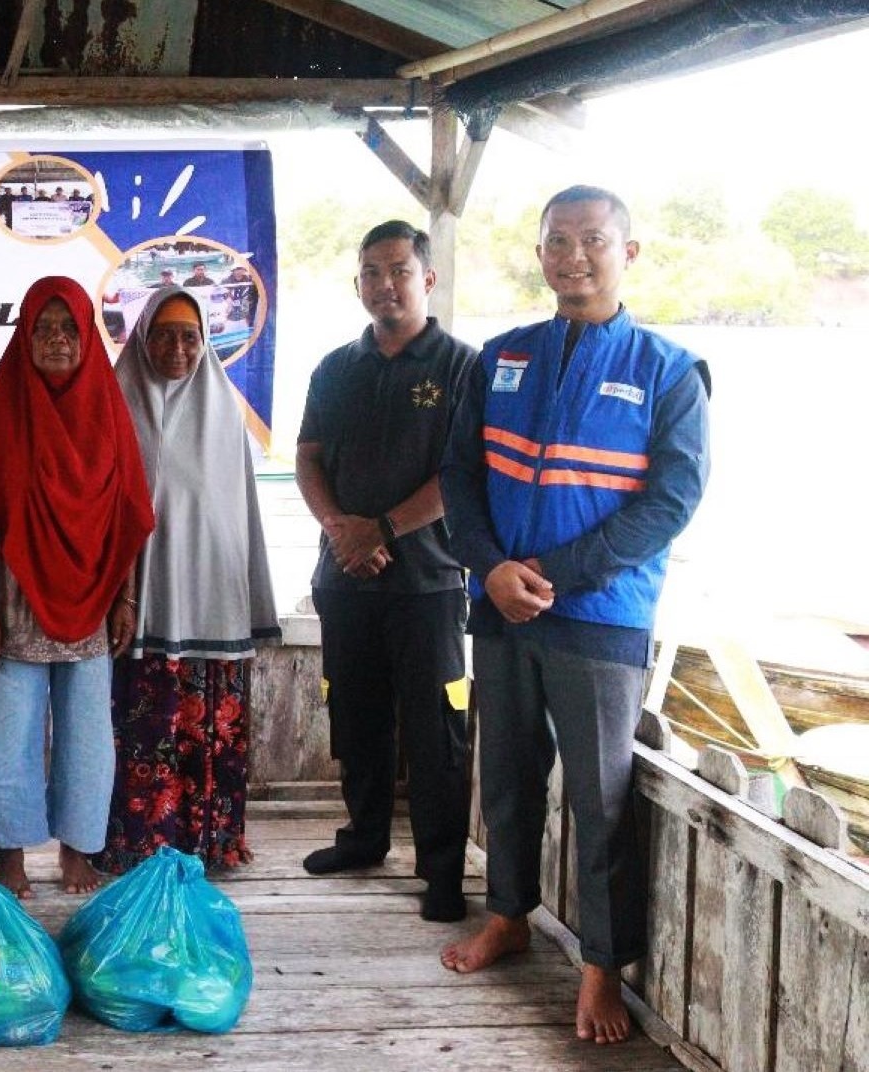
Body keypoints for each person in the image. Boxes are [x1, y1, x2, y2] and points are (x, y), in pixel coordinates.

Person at [439, 186, 709, 1044]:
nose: (575, 256)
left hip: (600, 619)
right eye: (558, 240)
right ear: (540, 253)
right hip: (504, 606)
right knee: (509, 781)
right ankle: (510, 915)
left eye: (594, 240)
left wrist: (548, 573)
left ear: (629, 254)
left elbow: (671, 501)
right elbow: (459, 476)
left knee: (600, 800)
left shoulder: (668, 371)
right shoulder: (501, 357)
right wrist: (490, 569)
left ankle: (601, 967)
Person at [296, 221, 477, 923]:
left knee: (436, 731)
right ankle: (364, 839)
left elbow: (460, 473)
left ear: (427, 278)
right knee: (356, 716)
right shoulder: (336, 367)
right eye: (371, 272)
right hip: (345, 577)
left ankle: (441, 872)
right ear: (358, 284)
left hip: (428, 582)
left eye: (399, 270)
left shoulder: (462, 366)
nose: (385, 285)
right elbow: (309, 457)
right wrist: (341, 530)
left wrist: (385, 529)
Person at [0, 277, 153, 898]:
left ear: (87, 336)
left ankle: (77, 851)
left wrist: (123, 598)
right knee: (5, 733)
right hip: (13, 598)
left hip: (93, 597)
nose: (56, 340)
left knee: (87, 735)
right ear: (24, 335)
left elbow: (126, 514)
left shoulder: (108, 407)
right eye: (42, 329)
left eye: (68, 328)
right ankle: (10, 858)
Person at [99, 285, 277, 875]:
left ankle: (210, 843)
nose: (177, 348)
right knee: (141, 721)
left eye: (189, 337)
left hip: (210, 600)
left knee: (204, 720)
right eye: (164, 335)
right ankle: (137, 844)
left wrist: (249, 593)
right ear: (142, 338)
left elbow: (240, 511)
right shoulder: (114, 401)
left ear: (206, 343)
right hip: (141, 601)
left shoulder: (225, 410)